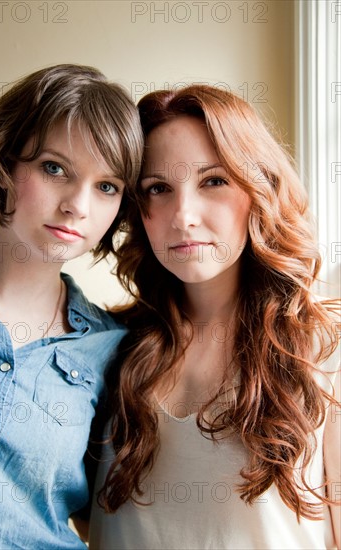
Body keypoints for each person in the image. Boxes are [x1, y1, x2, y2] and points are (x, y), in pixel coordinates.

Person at [88, 85, 341, 549]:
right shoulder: (109, 347)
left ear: (258, 188)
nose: (183, 215)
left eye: (213, 181)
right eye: (158, 189)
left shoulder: (326, 352)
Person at [0, 63, 143, 549]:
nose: (77, 205)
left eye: (106, 186)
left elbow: (102, 520)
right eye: (54, 168)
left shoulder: (111, 352)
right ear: (7, 165)